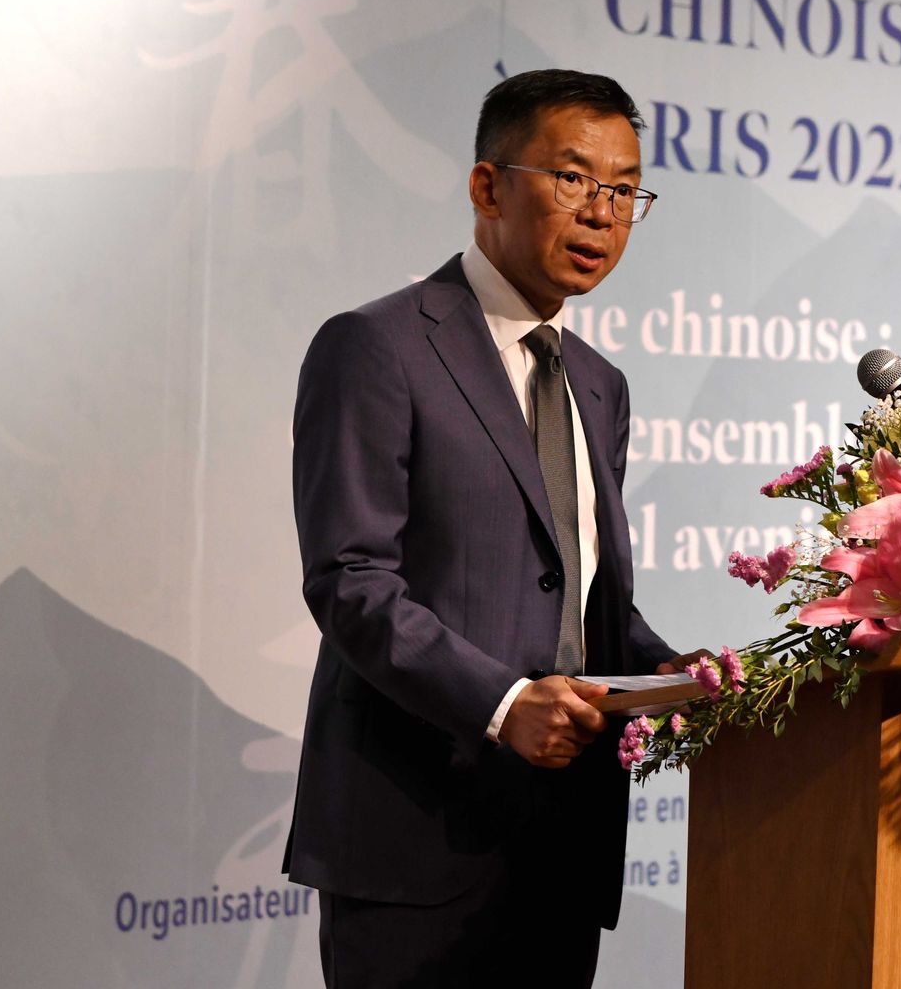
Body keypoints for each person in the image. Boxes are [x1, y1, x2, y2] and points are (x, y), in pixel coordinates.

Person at [285, 69, 699, 988]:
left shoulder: (599, 383)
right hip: (416, 839)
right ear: (486, 186)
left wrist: (684, 679)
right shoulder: (377, 346)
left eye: (626, 190)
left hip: (561, 842)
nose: (602, 213)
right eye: (574, 179)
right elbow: (350, 579)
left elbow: (585, 601)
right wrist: (505, 704)